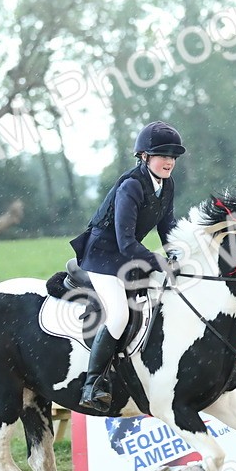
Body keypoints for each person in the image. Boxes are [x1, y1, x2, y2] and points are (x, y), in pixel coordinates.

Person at [70, 120, 185, 412]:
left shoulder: (166, 185)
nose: (169, 161)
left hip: (128, 257)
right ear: (144, 157)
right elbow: (126, 242)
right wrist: (160, 262)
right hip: (102, 257)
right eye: (162, 155)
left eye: (172, 156)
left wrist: (178, 253)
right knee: (119, 315)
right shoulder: (132, 186)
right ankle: (92, 384)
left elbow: (167, 225)